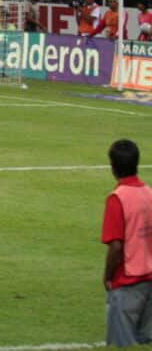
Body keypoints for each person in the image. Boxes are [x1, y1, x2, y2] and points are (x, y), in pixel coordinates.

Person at [102, 139, 152, 347]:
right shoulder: (149, 193)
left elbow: (116, 246)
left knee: (122, 345)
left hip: (128, 281)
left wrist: (107, 275)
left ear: (113, 167)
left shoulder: (117, 198)